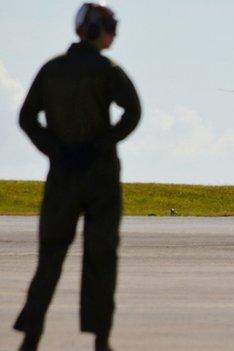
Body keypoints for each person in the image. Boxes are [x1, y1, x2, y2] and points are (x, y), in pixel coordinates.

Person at [14, 3, 141, 350]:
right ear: (95, 29)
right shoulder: (107, 69)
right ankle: (101, 339)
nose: (113, 33)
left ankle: (31, 335)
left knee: (50, 255)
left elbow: (27, 118)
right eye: (110, 26)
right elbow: (134, 111)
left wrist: (55, 149)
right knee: (101, 257)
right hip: (100, 177)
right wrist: (103, 143)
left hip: (63, 176)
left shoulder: (52, 70)